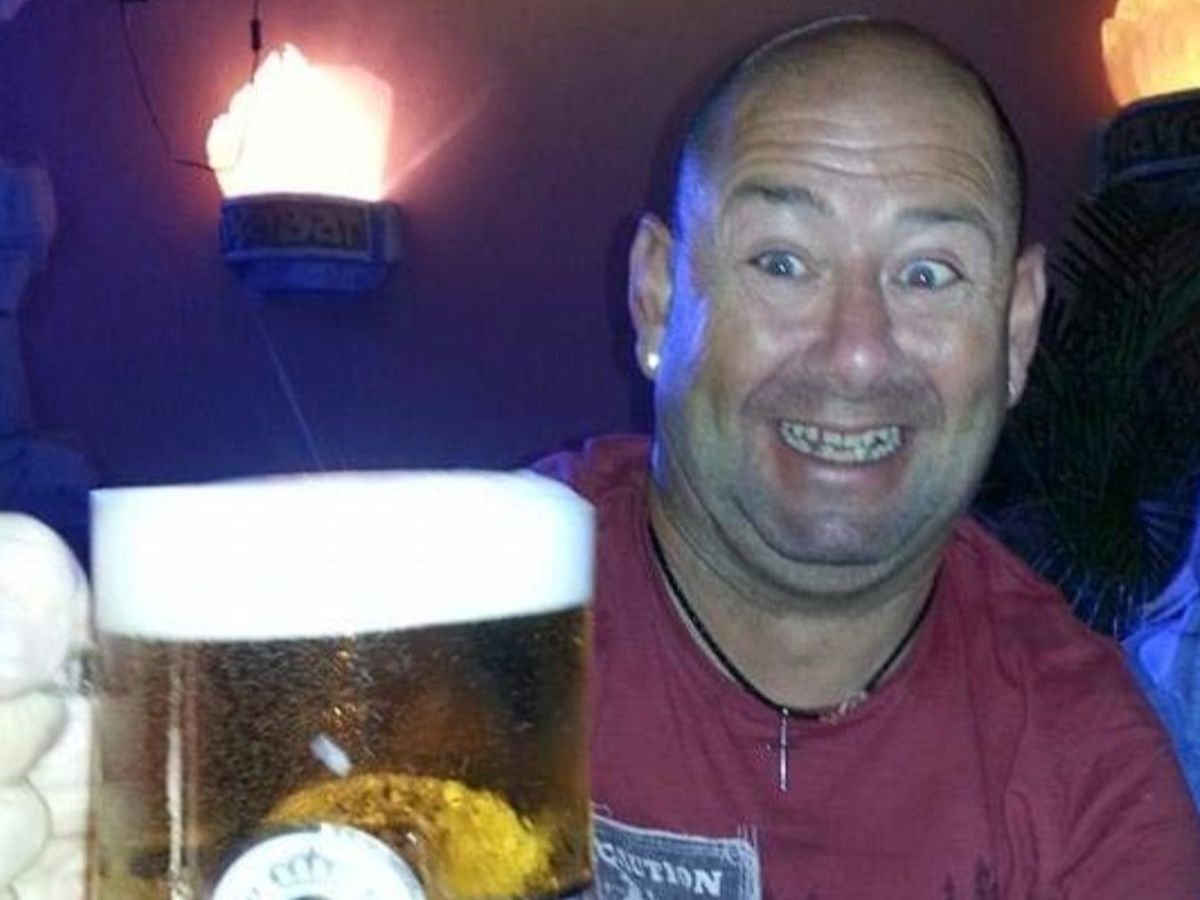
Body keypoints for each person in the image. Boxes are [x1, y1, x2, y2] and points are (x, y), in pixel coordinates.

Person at [3, 15, 1199, 899]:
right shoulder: (427, 634)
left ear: (1018, 330)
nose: (855, 350)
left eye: (928, 274)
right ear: (656, 295)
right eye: (781, 261)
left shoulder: (1092, 771)